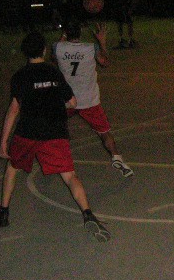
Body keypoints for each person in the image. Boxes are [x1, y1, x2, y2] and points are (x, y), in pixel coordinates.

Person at [0, 31, 110, 242]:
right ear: (44, 51)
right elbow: (72, 102)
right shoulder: (54, 72)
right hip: (55, 132)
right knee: (70, 176)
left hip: (28, 133)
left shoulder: (19, 76)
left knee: (11, 169)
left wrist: (3, 142)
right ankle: (88, 214)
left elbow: (13, 110)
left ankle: (3, 213)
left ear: (25, 53)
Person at [53, 21, 134, 178]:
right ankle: (117, 157)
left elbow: (56, 60)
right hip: (88, 99)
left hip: (66, 99)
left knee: (57, 128)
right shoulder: (90, 48)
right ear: (80, 32)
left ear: (66, 33)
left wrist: (63, 36)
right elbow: (105, 62)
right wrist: (102, 42)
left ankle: (57, 159)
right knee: (104, 132)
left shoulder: (57, 47)